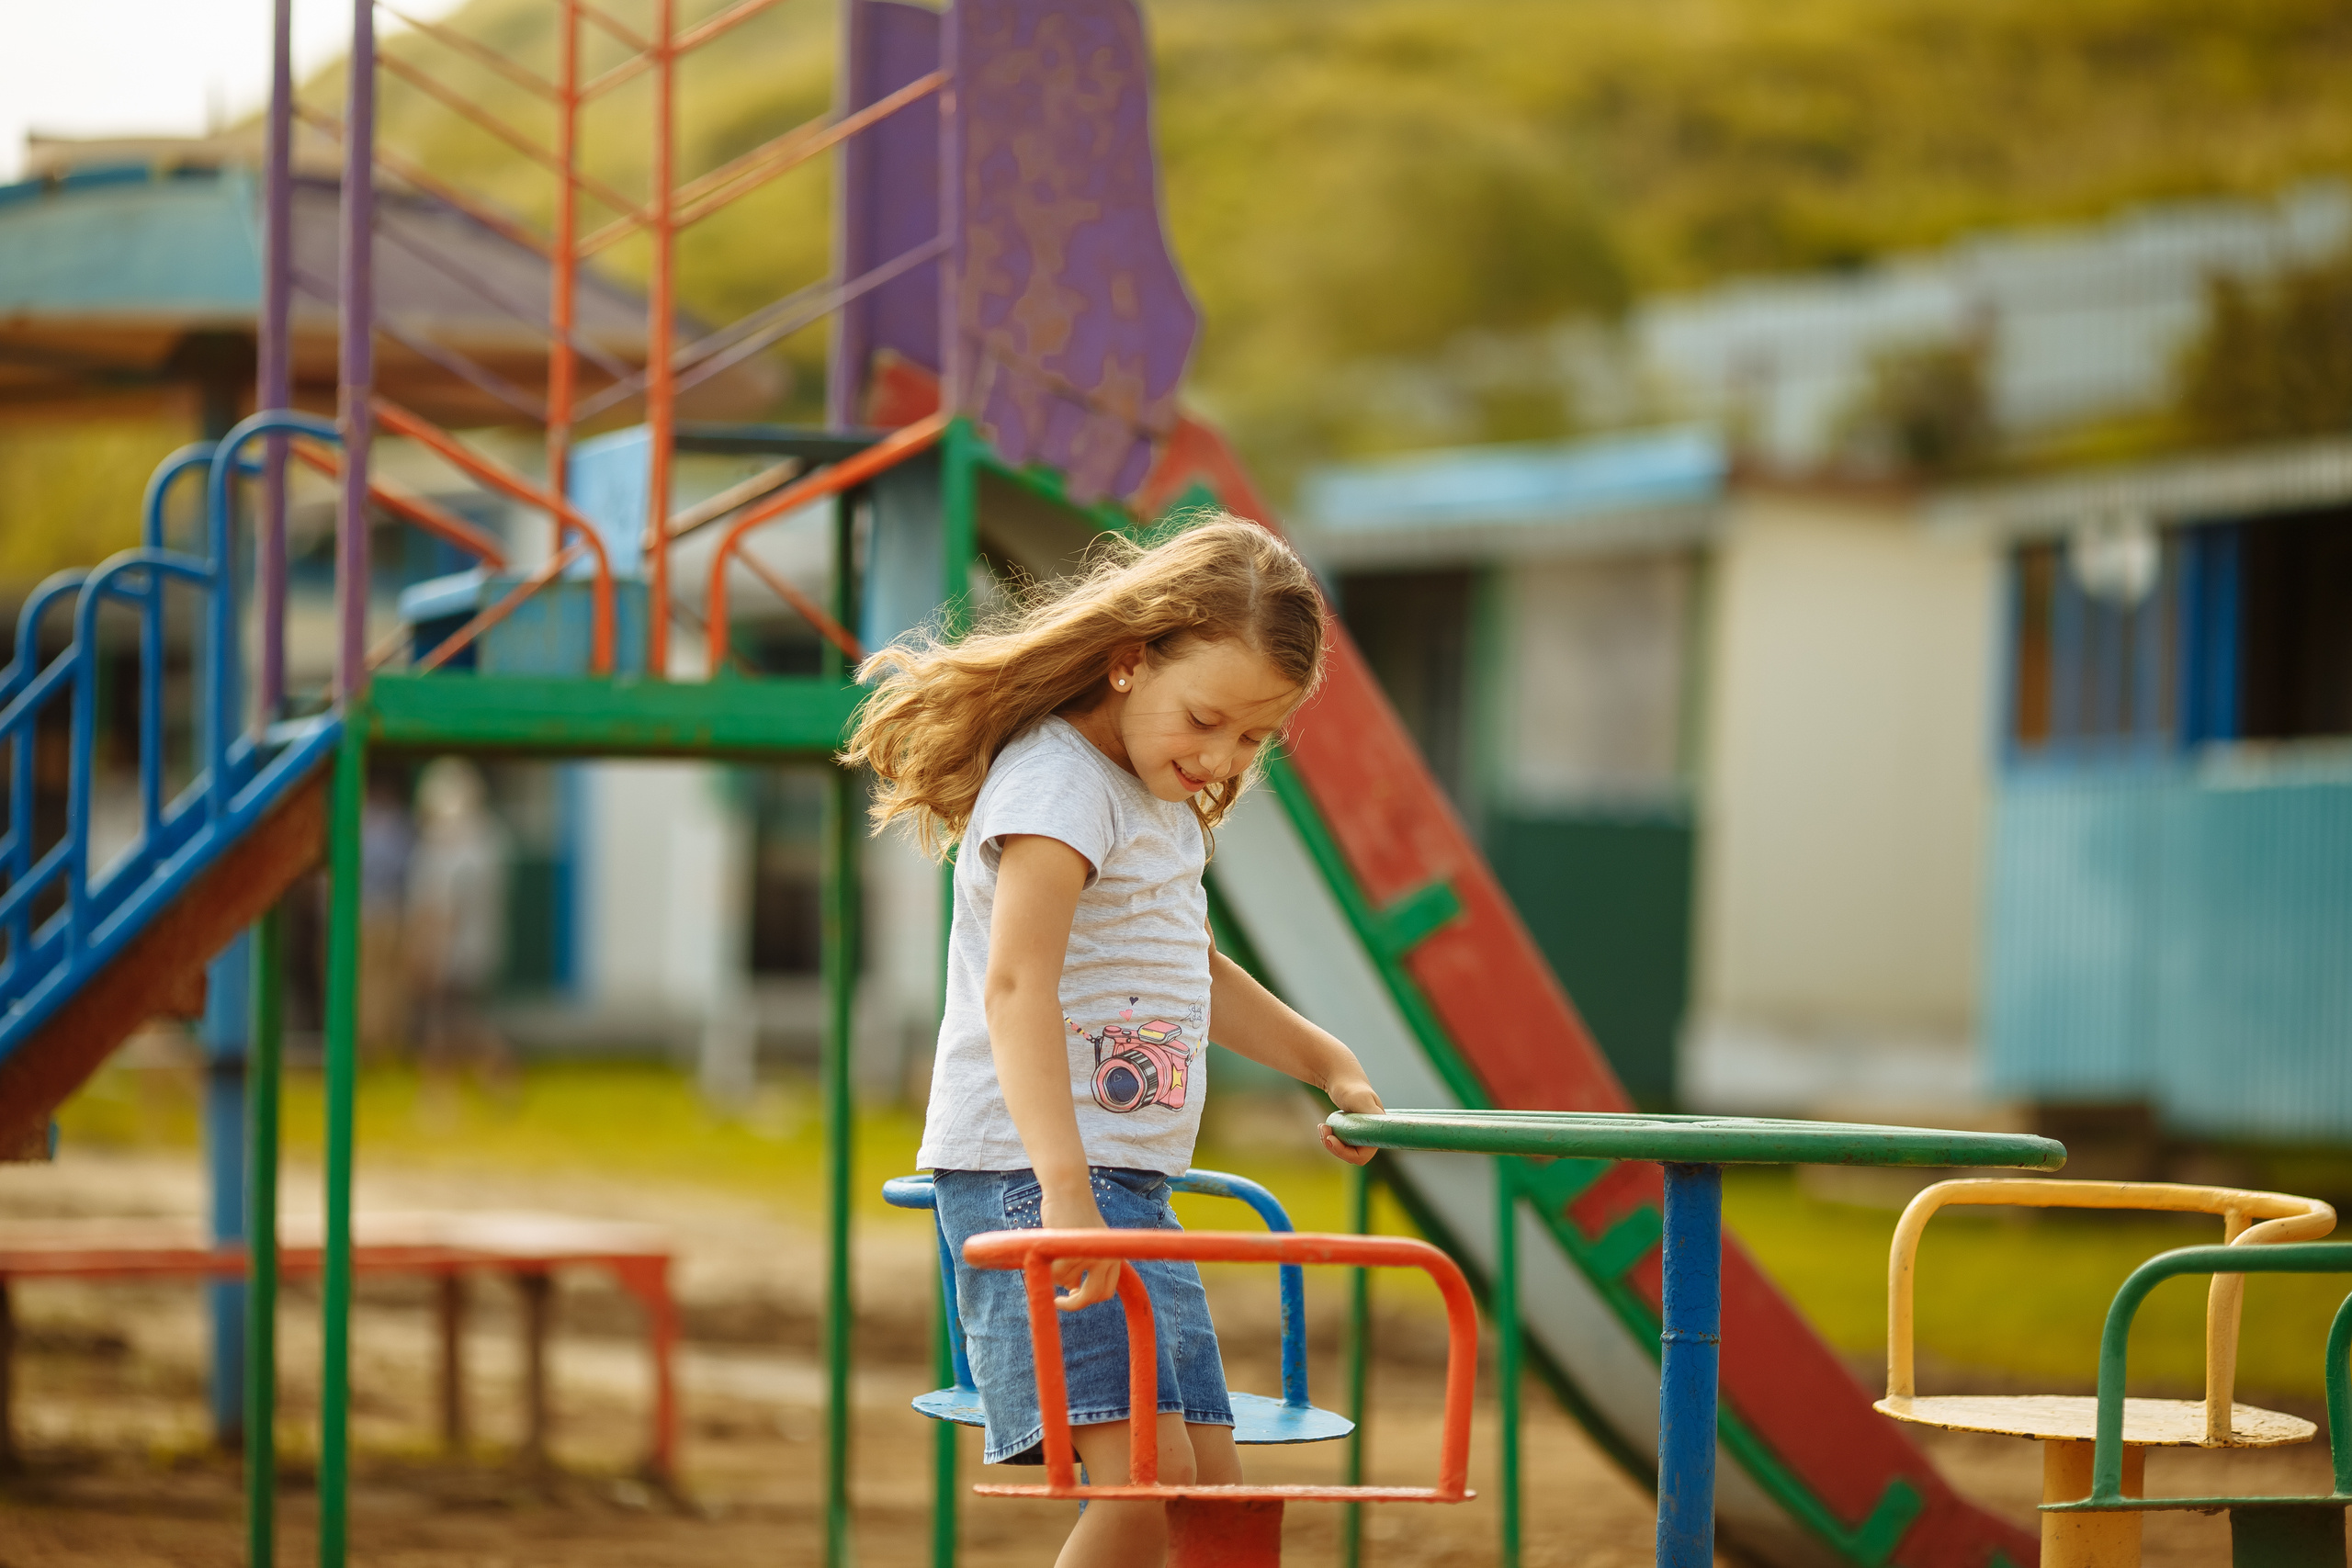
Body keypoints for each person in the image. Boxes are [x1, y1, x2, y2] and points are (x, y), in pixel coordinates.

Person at [844, 515, 1385, 1568]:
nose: (1223, 757)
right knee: (1141, 1493)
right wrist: (1061, 1193)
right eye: (1208, 719)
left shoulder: (1158, 797)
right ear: (1131, 661)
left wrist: (1329, 1062)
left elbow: (1194, 974)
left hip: (1122, 1184)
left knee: (1210, 1502)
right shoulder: (1058, 788)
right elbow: (1014, 986)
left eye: (1252, 739)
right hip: (1029, 1172)